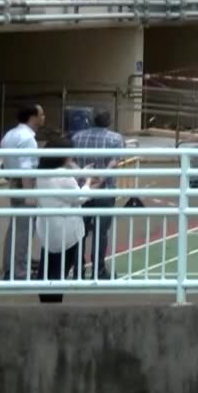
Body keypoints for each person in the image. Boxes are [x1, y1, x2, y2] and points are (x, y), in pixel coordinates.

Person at [71, 109, 125, 281]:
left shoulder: (76, 137)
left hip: (82, 188)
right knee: (101, 232)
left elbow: (70, 159)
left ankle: (78, 269)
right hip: (105, 189)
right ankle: (98, 270)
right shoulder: (115, 138)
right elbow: (114, 161)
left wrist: (82, 174)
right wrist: (102, 177)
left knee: (80, 232)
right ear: (109, 121)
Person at [31, 148, 88, 304]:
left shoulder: (41, 175)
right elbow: (80, 197)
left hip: (48, 230)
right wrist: (89, 182)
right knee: (59, 270)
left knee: (47, 268)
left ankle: (45, 302)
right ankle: (54, 305)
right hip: (66, 232)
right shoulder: (64, 177)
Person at [0, 105, 42, 282]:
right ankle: (19, 272)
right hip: (25, 185)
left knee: (15, 228)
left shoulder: (10, 135)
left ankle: (11, 266)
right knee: (24, 231)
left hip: (13, 183)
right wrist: (29, 194)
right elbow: (26, 168)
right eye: (41, 114)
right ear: (33, 117)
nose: (43, 118)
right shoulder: (28, 139)